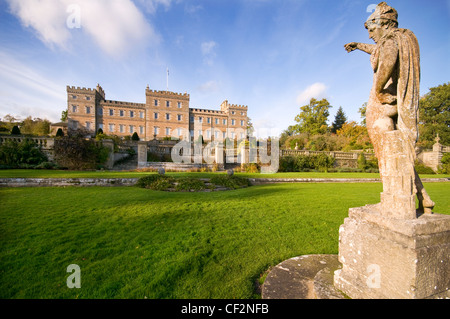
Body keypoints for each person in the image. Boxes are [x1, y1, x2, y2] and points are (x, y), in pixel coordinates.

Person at [344, 2, 434, 214]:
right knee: (397, 152)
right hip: (395, 102)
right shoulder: (403, 39)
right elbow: (377, 50)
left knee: (386, 153)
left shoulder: (391, 41)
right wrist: (358, 46)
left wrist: (378, 91)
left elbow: (387, 59)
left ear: (382, 23)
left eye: (370, 29)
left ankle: (395, 200)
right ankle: (424, 198)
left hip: (382, 104)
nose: (369, 35)